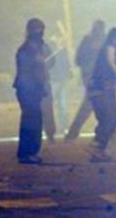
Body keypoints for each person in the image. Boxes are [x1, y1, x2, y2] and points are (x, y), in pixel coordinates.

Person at [12, 18, 53, 164]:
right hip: (28, 89)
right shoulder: (28, 49)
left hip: (32, 89)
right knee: (31, 121)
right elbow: (32, 70)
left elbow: (47, 64)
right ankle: (27, 153)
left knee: (34, 120)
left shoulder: (35, 47)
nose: (41, 33)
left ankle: (29, 152)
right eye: (39, 30)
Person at [87, 28, 116, 163]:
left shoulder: (114, 51)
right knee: (111, 119)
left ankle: (99, 148)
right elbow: (112, 64)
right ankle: (98, 146)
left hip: (102, 89)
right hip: (102, 89)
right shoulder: (110, 48)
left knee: (109, 120)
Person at [65, 20, 106, 141]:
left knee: (96, 104)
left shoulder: (87, 40)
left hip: (89, 77)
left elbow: (77, 60)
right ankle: (73, 132)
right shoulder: (103, 41)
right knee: (92, 105)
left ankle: (105, 131)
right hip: (98, 78)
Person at [41, 35, 72, 143]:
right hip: (55, 81)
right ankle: (60, 128)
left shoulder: (59, 51)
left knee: (59, 105)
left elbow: (66, 65)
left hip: (57, 81)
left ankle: (61, 128)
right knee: (60, 105)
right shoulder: (58, 51)